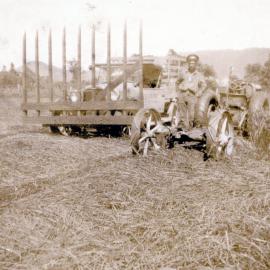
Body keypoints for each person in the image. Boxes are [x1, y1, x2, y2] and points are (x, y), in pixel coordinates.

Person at [176, 54, 206, 128]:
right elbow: (177, 82)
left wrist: (199, 93)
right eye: (190, 63)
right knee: (182, 113)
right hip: (183, 94)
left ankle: (190, 130)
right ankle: (182, 129)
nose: (191, 65)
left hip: (192, 96)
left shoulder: (199, 75)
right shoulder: (183, 73)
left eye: (193, 63)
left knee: (191, 114)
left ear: (196, 64)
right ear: (188, 64)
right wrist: (178, 92)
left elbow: (203, 85)